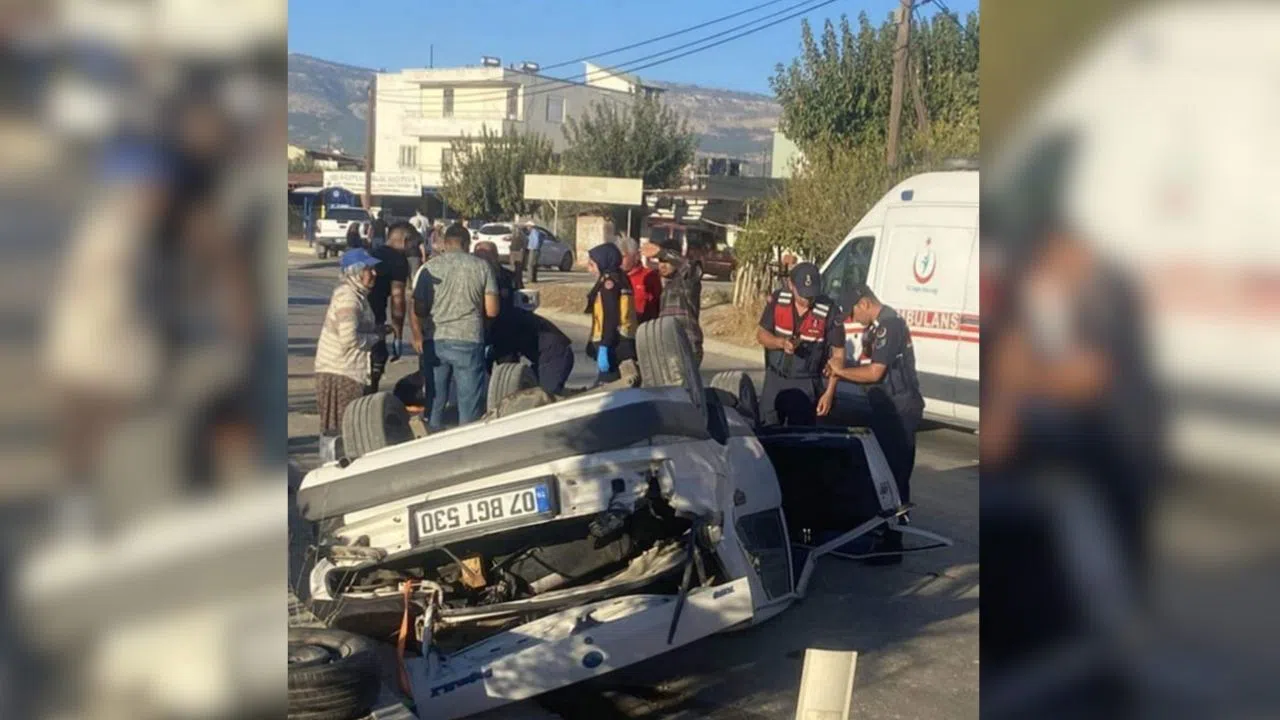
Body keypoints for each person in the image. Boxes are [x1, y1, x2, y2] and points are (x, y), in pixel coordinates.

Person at [825, 285, 924, 503]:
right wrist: (841, 368)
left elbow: (875, 372)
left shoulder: (890, 325)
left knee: (896, 474)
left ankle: (897, 522)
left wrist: (840, 372)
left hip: (899, 410)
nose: (853, 319)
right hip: (886, 406)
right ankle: (887, 518)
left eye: (853, 313)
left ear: (865, 303)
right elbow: (866, 365)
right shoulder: (876, 327)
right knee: (882, 474)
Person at [410, 222, 500, 431]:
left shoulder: (429, 268)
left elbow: (419, 308)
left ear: (444, 243)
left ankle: (431, 436)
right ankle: (467, 441)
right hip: (468, 339)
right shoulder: (481, 267)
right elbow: (492, 310)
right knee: (469, 403)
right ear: (467, 244)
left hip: (435, 340)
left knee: (434, 399)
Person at [314, 249, 385, 457]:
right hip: (340, 373)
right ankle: (331, 467)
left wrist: (376, 330)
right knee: (338, 431)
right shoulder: (348, 298)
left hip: (347, 370)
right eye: (368, 269)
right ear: (355, 272)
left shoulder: (358, 295)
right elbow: (349, 339)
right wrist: (376, 337)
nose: (374, 274)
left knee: (346, 430)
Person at [755, 262, 845, 427]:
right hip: (774, 381)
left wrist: (829, 393)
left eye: (811, 295)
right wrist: (780, 343)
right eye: (803, 295)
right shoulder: (778, 300)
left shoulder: (830, 311)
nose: (807, 300)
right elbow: (761, 335)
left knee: (802, 436)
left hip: (807, 384)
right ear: (791, 285)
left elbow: (838, 355)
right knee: (767, 431)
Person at [366, 223, 414, 392]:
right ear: (405, 240)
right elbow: (398, 298)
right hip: (374, 317)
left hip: (354, 311)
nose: (413, 248)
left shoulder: (372, 253)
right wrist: (397, 335)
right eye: (412, 243)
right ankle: (369, 394)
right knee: (377, 356)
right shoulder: (398, 260)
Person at [640, 238, 704, 367]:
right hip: (669, 346)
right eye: (660, 261)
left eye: (667, 262)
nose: (662, 265)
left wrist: (662, 252)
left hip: (687, 345)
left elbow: (689, 266)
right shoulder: (666, 287)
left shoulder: (687, 281)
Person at [584, 243, 637, 383]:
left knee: (608, 387)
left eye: (592, 264)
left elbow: (610, 316)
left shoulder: (610, 284)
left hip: (614, 343)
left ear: (603, 262)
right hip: (620, 341)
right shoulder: (620, 277)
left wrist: (605, 345)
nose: (589, 269)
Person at [619, 236, 662, 323]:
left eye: (623, 256)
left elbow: (656, 306)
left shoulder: (650, 276)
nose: (619, 260)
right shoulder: (615, 278)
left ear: (636, 256)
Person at [508, 224, 528, 289]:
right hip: (513, 252)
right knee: (513, 268)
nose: (515, 230)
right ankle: (514, 283)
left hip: (519, 252)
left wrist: (522, 249)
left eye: (516, 229)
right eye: (514, 229)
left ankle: (519, 284)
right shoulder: (513, 235)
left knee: (518, 269)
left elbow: (525, 244)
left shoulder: (522, 236)